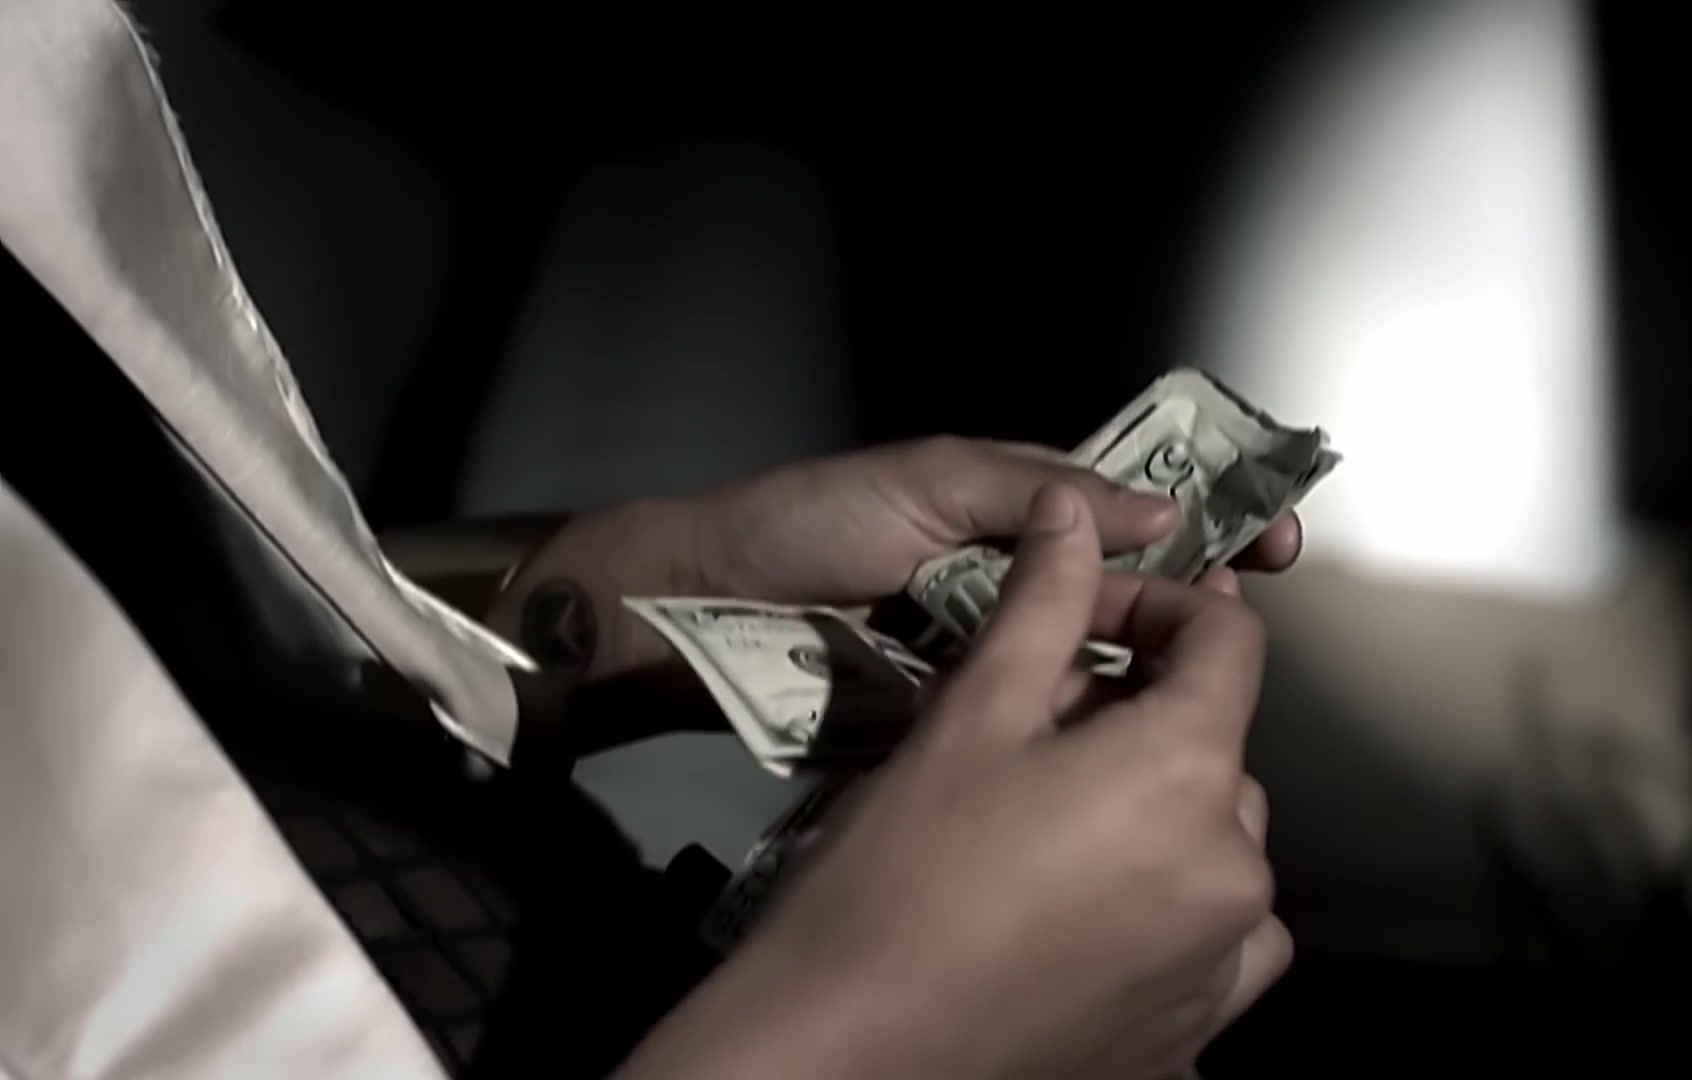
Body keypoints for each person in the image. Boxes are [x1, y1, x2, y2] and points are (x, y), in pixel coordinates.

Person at [0, 0, 1297, 1076]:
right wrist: (876, 1032)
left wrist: (656, 587)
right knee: (715, 190)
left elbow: (102, 649)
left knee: (714, 199)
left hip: (461, 827)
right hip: (646, 968)